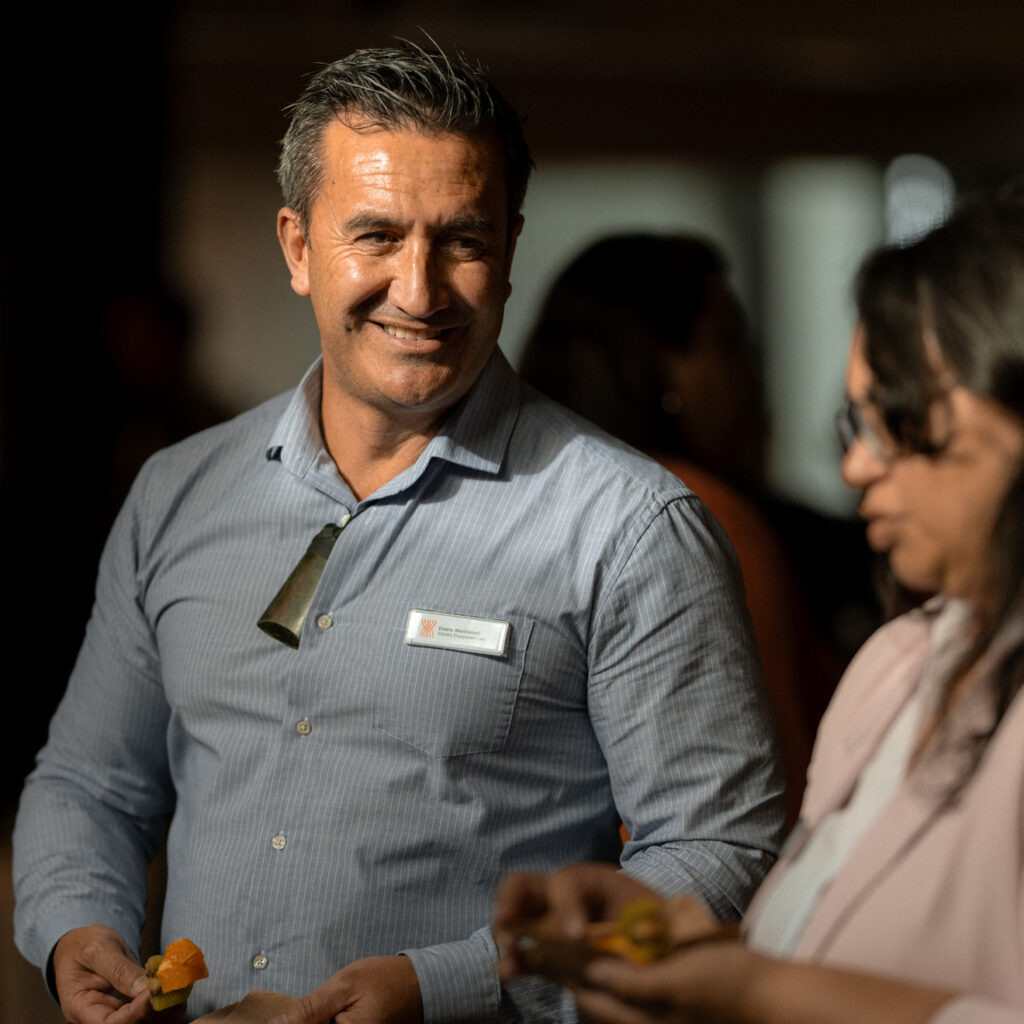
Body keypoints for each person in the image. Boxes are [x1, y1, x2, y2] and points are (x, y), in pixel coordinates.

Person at [12, 43, 787, 1024]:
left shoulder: (630, 530)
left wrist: (451, 984)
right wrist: (79, 928)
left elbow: (721, 858)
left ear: (507, 249)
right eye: (375, 236)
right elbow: (90, 783)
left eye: (459, 241)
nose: (418, 292)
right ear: (298, 247)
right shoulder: (178, 493)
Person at [493, 181, 1024, 1023]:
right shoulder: (900, 659)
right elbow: (815, 931)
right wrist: (659, 938)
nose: (855, 469)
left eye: (898, 415)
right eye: (855, 427)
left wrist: (755, 989)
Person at [519, 233, 840, 820]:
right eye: (729, 342)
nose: (750, 374)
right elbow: (776, 799)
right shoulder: (697, 517)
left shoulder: (516, 504)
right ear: (655, 364)